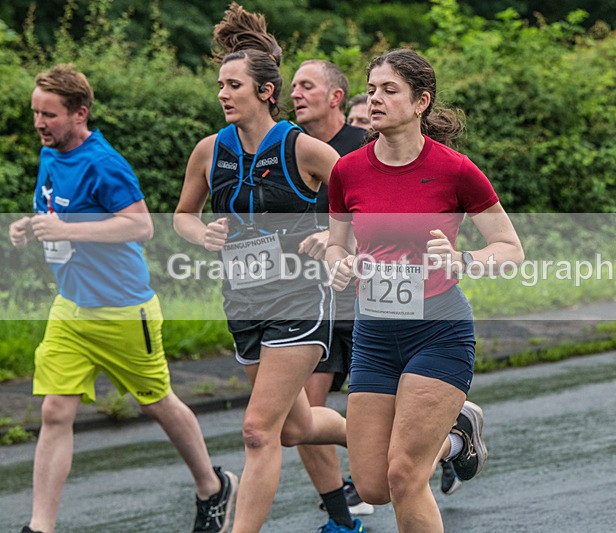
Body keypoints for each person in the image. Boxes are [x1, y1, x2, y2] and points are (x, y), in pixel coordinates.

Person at [9, 64, 237, 533]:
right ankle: (40, 526)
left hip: (122, 310)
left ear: (79, 113)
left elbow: (140, 226)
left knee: (158, 403)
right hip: (71, 308)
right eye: (35, 112)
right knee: (54, 411)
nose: (38, 123)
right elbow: (52, 213)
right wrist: (29, 226)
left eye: (48, 114)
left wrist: (67, 228)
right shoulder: (50, 153)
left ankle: (213, 487)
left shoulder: (104, 162)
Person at [173, 4, 362, 532]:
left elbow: (363, 200)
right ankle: (384, 433)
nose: (222, 94)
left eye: (233, 85)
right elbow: (182, 216)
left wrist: (331, 234)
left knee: (258, 430)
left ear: (265, 92)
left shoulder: (304, 148)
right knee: (294, 427)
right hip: (244, 303)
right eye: (219, 85)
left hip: (301, 301)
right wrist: (201, 232)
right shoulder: (210, 151)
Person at [325, 49, 524, 532]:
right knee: (373, 484)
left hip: (438, 330)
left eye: (389, 90)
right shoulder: (347, 171)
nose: (375, 99)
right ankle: (457, 435)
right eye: (372, 90)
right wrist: (340, 264)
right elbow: (335, 246)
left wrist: (463, 260)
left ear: (421, 102)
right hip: (375, 335)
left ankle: (448, 430)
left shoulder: (454, 169)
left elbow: (509, 247)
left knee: (405, 476)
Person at [290, 60, 373, 518]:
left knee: (386, 407)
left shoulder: (364, 145)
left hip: (368, 297)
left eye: (307, 86)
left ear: (336, 96)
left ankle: (450, 432)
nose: (296, 93)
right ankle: (341, 511)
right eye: (294, 86)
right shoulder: (288, 149)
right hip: (313, 302)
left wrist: (336, 238)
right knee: (299, 414)